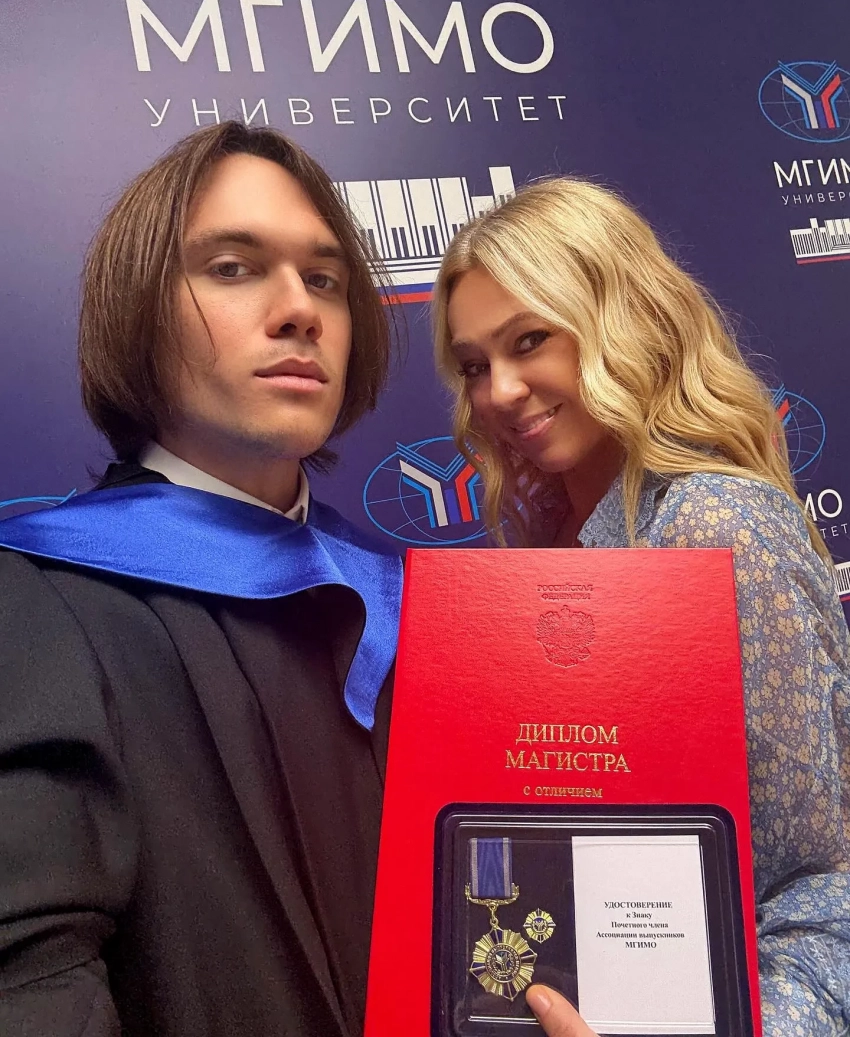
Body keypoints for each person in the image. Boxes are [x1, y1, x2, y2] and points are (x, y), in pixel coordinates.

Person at [0, 122, 403, 1037]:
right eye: (233, 268)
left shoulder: (405, 602)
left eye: (325, 279)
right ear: (140, 313)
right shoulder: (36, 604)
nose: (299, 309)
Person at [432, 177, 850, 1035]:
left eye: (530, 340)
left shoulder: (713, 525)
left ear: (622, 320)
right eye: (474, 366)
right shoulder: (548, 539)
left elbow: (820, 892)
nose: (499, 390)